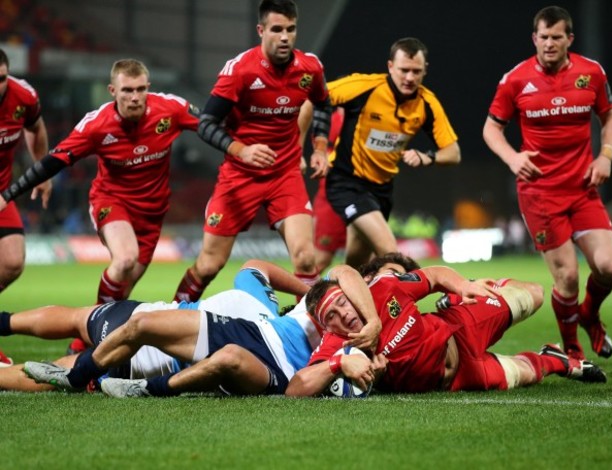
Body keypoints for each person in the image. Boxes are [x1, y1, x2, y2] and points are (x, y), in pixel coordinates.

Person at [0, 58, 199, 309]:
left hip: (153, 212)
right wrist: (8, 195)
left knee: (122, 292)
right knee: (125, 259)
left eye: (141, 89)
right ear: (113, 91)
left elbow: (211, 126)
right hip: (111, 202)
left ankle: (84, 340)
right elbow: (54, 160)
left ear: (148, 87)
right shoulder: (95, 125)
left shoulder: (171, 109)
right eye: (127, 90)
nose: (135, 97)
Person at [482, 6, 612, 361]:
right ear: (534, 39)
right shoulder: (515, 79)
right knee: (568, 278)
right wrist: (513, 158)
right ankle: (572, 347)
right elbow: (491, 128)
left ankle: (590, 314)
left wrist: (605, 155)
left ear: (568, 39)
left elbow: (611, 118)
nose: (548, 44)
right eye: (542, 37)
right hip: (540, 194)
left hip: (582, 189)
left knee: (608, 267)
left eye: (556, 37)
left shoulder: (591, 73)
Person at [22, 262, 383, 398]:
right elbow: (345, 272)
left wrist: (348, 360)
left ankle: (147, 390)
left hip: (275, 370)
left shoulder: (358, 335)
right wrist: (313, 295)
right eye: (332, 309)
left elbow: (297, 389)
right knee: (142, 324)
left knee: (227, 358)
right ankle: (79, 374)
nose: (342, 312)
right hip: (248, 333)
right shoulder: (325, 298)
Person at [173, 0, 332, 303]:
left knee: (306, 260)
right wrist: (240, 150)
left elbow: (323, 104)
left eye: (290, 29)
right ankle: (174, 314)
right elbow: (206, 123)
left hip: (284, 174)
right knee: (209, 265)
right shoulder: (240, 71)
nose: (284, 37)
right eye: (276, 30)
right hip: (239, 175)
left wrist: (320, 147)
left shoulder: (310, 68)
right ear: (261, 30)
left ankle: (308, 330)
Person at [285, 262, 607, 397]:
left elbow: (434, 274)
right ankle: (557, 359)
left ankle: (473, 293)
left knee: (534, 294)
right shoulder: (337, 344)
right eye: (332, 316)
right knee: (525, 372)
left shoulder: (382, 289)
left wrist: (464, 286)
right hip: (457, 379)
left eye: (343, 303)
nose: (343, 315)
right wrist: (337, 364)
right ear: (326, 327)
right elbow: (295, 388)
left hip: (460, 328)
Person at [323, 37, 460, 269]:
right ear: (390, 67)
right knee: (392, 256)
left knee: (357, 265)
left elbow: (453, 153)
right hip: (347, 184)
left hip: (382, 191)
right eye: (403, 70)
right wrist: (312, 145)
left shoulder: (427, 103)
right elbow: (315, 94)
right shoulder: (365, 87)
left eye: (416, 71)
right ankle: (403, 304)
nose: (409, 78)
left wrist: (428, 157)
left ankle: (335, 298)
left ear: (425, 70)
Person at [0, 49, 51, 366]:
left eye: (1, 78)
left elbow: (36, 129)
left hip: (2, 194)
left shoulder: (24, 96)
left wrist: (41, 171)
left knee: (12, 261)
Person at [299, 103, 346, 273]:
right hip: (332, 198)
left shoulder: (370, 122)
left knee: (366, 259)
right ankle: (302, 298)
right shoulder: (332, 122)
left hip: (362, 196)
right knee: (321, 258)